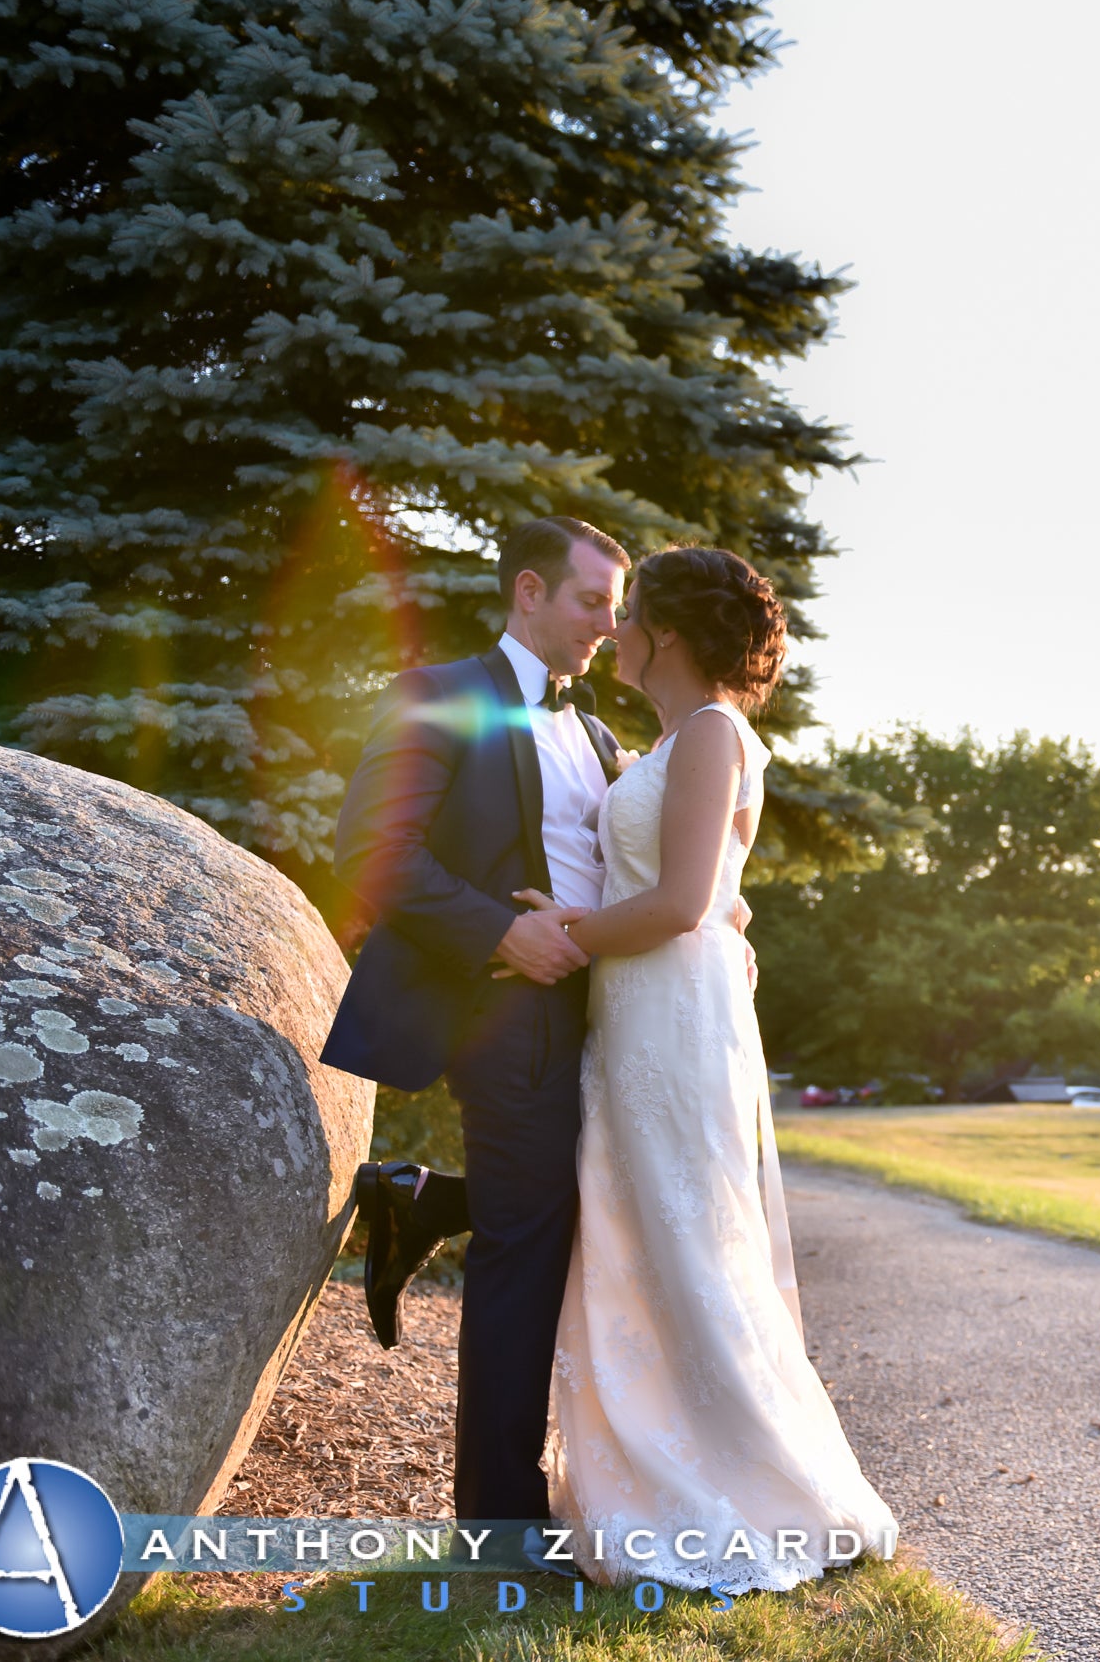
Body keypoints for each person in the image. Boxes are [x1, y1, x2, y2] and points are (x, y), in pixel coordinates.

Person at [526, 545, 899, 1587]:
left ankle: (740, 1481)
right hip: (651, 1006)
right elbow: (720, 896)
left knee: (688, 1231)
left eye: (629, 610)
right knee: (642, 1227)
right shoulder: (675, 739)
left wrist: (565, 931)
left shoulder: (710, 733)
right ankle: (651, 1465)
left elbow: (682, 898)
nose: (614, 628)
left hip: (668, 1012)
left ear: (669, 633)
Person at [321, 517, 631, 1522]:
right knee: (528, 1250)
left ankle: (419, 1198)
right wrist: (504, 935)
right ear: (530, 591)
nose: (607, 628)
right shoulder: (440, 694)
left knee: (575, 1212)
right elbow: (373, 849)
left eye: (616, 611)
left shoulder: (596, 732)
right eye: (592, 602)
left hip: (611, 1015)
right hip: (506, 1012)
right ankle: (499, 1516)